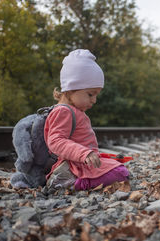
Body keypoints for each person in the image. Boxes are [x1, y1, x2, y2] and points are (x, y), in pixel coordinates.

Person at [44, 49, 129, 190]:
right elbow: (55, 141)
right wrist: (84, 153)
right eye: (90, 94)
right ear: (71, 89)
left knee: (118, 168)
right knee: (120, 172)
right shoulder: (63, 111)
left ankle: (70, 178)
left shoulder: (73, 110)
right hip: (76, 163)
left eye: (96, 95)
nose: (94, 100)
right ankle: (69, 182)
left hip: (81, 161)